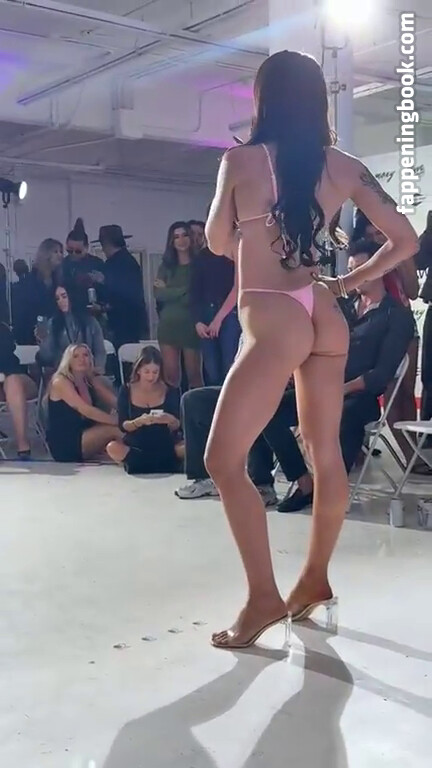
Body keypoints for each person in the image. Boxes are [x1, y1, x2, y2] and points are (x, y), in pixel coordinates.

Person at [204, 50, 418, 649]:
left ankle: (263, 597)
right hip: (322, 311)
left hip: (274, 314)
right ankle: (315, 578)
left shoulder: (240, 160)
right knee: (325, 456)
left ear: (263, 99)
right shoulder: (343, 167)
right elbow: (404, 239)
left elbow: (217, 239)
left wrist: (249, 228)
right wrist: (347, 283)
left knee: (221, 461)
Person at [274, 238, 415, 511]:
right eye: (350, 270)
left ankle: (330, 489)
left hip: (359, 396)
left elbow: (381, 375)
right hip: (320, 388)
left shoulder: (396, 316)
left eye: (360, 268)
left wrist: (340, 390)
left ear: (381, 268)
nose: (354, 275)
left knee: (346, 415)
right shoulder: (341, 307)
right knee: (270, 409)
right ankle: (304, 481)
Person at [355, 210, 419, 461]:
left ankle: (413, 453)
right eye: (373, 232)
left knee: (406, 390)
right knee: (390, 388)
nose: (378, 236)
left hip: (404, 322)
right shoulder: (361, 256)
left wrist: (399, 256)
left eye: (381, 231)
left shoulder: (401, 250)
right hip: (374, 326)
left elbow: (412, 291)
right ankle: (408, 456)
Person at [175, 384, 279, 507]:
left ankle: (262, 484)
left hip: (276, 391)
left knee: (256, 402)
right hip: (246, 386)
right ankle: (206, 478)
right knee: (193, 400)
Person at [106, 345, 180, 474]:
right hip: (136, 445)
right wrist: (139, 422)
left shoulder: (171, 390)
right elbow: (123, 425)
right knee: (112, 447)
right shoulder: (126, 390)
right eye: (147, 372)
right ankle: (158, 464)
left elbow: (178, 425)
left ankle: (143, 465)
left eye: (155, 372)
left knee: (188, 447)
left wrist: (169, 419)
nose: (151, 377)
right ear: (139, 370)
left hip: (165, 444)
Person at [46, 344, 120, 462]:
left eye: (85, 355)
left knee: (127, 429)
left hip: (85, 433)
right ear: (68, 360)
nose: (81, 359)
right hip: (67, 442)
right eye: (76, 356)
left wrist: (134, 415)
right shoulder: (61, 381)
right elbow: (86, 410)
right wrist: (117, 421)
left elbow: (113, 401)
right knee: (115, 430)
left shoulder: (89, 380)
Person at [154, 221, 203, 389]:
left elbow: (195, 297)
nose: (181, 240)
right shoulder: (165, 267)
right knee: (171, 377)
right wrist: (185, 289)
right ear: (171, 241)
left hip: (191, 325)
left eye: (184, 235)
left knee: (194, 375)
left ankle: (196, 406)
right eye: (176, 237)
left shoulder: (198, 265)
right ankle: (173, 406)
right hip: (168, 326)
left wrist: (170, 290)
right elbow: (159, 294)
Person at [190, 236, 241, 386]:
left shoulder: (236, 250)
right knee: (211, 368)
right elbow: (194, 291)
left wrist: (218, 319)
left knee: (229, 365)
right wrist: (197, 321)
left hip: (229, 313)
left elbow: (238, 288)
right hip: (206, 312)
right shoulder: (201, 256)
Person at [97, 225, 148, 348]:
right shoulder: (129, 261)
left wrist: (103, 282)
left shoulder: (117, 264)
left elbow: (124, 294)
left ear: (106, 244)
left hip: (124, 323)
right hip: (133, 322)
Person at [37, 285, 106, 373]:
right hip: (64, 373)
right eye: (57, 299)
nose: (61, 301)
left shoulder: (90, 322)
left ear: (72, 296)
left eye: (64, 296)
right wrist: (43, 341)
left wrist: (97, 370)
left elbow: (100, 351)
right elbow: (48, 357)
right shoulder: (53, 323)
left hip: (89, 372)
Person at [0, 321, 37, 458]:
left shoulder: (2, 330)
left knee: (13, 382)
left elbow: (6, 360)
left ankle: (23, 446)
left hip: (17, 379)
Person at [16, 238, 64, 344]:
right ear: (46, 254)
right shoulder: (30, 281)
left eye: (61, 252)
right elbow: (23, 312)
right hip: (32, 336)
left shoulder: (58, 281)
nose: (60, 255)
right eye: (55, 252)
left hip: (55, 336)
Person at [63, 218, 106, 309]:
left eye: (78, 251)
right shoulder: (62, 265)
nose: (73, 254)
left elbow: (107, 292)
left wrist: (99, 281)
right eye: (69, 251)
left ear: (87, 248)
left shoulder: (97, 264)